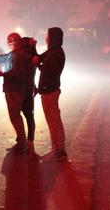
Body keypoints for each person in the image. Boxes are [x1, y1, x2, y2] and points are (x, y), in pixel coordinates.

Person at [0, 32, 30, 154]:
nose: (8, 43)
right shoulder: (15, 54)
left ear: (13, 42)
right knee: (16, 116)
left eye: (9, 41)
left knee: (15, 116)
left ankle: (22, 143)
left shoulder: (18, 55)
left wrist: (3, 74)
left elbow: (17, 73)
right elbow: (1, 58)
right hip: (15, 88)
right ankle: (21, 141)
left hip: (14, 89)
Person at [34, 27, 68, 162]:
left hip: (50, 91)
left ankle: (58, 151)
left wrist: (38, 65)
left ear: (53, 37)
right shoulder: (52, 51)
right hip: (48, 90)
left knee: (53, 122)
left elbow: (49, 70)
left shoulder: (57, 53)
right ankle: (59, 149)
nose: (46, 37)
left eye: (48, 35)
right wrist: (33, 48)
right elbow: (39, 58)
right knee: (54, 121)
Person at [21, 37, 38, 160]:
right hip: (28, 90)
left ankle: (28, 141)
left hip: (24, 91)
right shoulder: (31, 57)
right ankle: (28, 141)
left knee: (26, 116)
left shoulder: (26, 58)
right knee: (28, 116)